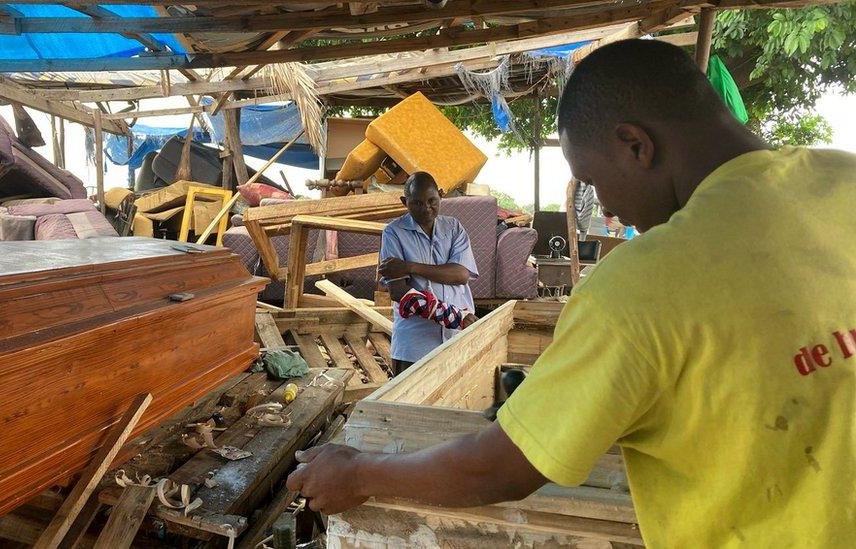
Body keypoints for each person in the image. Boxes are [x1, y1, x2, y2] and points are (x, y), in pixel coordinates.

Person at [286, 39, 856, 547]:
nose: (604, 207)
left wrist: (359, 472)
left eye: (596, 180)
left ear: (636, 144)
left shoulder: (643, 284)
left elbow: (502, 467)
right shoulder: (845, 179)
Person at [377, 171, 479, 375]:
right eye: (417, 203)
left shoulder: (453, 228)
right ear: (404, 201)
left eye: (432, 201)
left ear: (441, 195)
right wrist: (455, 317)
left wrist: (409, 267)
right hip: (415, 344)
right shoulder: (393, 232)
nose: (426, 208)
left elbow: (460, 275)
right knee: (408, 403)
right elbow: (399, 293)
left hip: (456, 337)